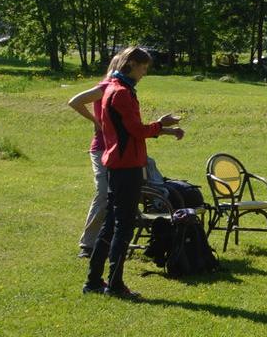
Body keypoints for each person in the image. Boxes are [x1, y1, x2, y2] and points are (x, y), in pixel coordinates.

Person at [84, 46, 183, 299]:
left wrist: (163, 129)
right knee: (123, 227)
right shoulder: (121, 93)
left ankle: (94, 281)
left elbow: (132, 129)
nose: (144, 73)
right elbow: (137, 131)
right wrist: (162, 124)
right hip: (126, 166)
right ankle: (115, 286)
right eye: (143, 67)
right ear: (131, 65)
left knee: (109, 226)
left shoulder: (112, 89)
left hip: (118, 164)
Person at [68, 82, 108, 258]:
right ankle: (88, 244)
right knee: (104, 192)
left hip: (122, 150)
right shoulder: (106, 87)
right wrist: (95, 120)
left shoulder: (128, 89)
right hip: (102, 148)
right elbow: (75, 101)